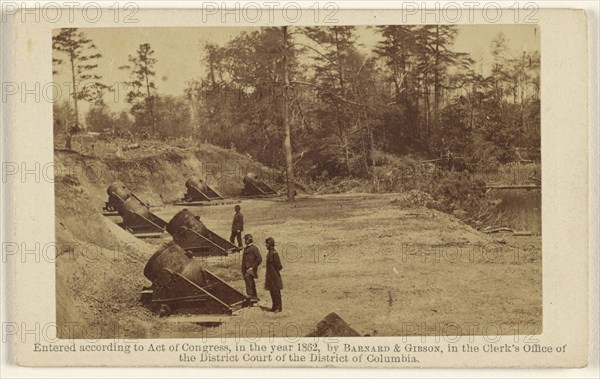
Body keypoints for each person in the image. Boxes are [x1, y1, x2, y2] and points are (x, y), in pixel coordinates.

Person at [264, 237, 283, 312]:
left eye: (267, 244)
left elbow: (279, 266)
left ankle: (278, 307)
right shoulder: (269, 253)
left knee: (276, 292)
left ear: (270, 244)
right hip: (270, 276)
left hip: (274, 276)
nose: (266, 245)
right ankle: (274, 306)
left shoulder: (274, 253)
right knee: (272, 291)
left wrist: (274, 272)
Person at [241, 234, 262, 301]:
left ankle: (251, 295)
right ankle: (253, 296)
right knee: (249, 281)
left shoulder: (254, 248)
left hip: (251, 269)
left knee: (248, 279)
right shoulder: (246, 248)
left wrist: (253, 268)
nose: (244, 241)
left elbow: (259, 259)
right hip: (246, 268)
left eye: (245, 239)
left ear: (248, 240)